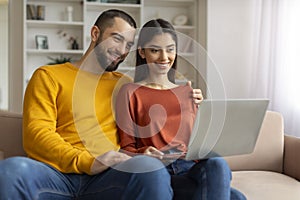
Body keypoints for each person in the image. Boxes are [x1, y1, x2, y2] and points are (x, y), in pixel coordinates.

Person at [0, 10, 176, 200]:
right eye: (117, 39)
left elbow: (141, 130)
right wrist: (89, 161)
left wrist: (189, 99)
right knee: (13, 170)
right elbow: (37, 136)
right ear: (95, 34)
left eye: (129, 45)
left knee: (150, 169)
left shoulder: (124, 85)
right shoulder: (48, 76)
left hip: (107, 178)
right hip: (55, 175)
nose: (122, 50)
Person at [116, 18, 246, 200]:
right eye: (155, 50)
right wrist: (143, 153)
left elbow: (197, 144)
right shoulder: (130, 92)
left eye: (170, 49)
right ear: (142, 52)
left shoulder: (188, 92)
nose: (164, 57)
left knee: (217, 163)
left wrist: (202, 110)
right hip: (158, 171)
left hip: (190, 167)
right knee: (236, 198)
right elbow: (126, 148)